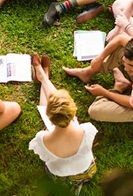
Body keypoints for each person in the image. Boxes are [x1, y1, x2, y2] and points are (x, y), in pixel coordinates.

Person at [29, 53, 98, 187]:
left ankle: (43, 76)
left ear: (50, 117)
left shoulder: (42, 139)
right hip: (85, 169)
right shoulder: (87, 130)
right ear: (73, 112)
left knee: (46, 111)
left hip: (60, 174)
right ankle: (43, 76)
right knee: (61, 110)